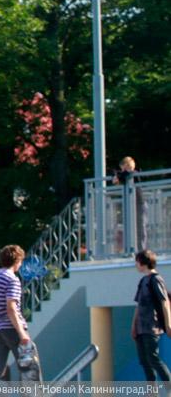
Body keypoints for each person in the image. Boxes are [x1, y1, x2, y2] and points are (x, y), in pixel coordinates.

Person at [0, 245, 35, 381]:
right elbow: (11, 307)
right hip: (10, 327)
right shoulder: (12, 279)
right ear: (17, 261)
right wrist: (21, 332)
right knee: (28, 365)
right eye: (21, 261)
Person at [131, 249, 171, 381]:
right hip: (141, 328)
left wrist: (168, 324)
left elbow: (164, 302)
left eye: (137, 261)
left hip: (151, 327)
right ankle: (151, 392)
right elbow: (139, 305)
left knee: (153, 359)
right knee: (144, 361)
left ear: (143, 263)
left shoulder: (156, 280)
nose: (136, 264)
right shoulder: (143, 281)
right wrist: (134, 326)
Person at [114, 156, 147, 251]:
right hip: (132, 204)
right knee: (131, 227)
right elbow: (119, 177)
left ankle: (141, 249)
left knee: (141, 227)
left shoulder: (134, 174)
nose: (122, 170)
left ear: (128, 165)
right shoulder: (126, 176)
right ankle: (133, 249)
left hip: (139, 203)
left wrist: (117, 176)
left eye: (123, 168)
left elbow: (126, 174)